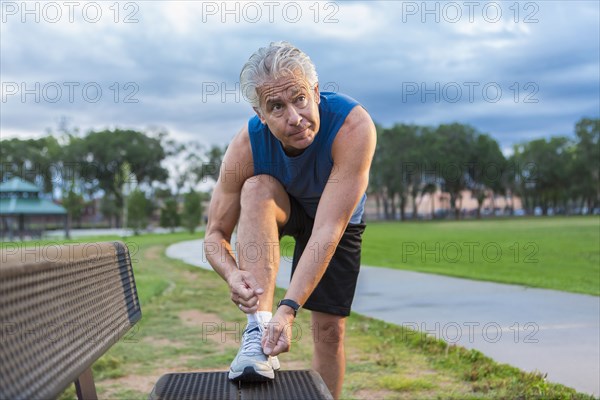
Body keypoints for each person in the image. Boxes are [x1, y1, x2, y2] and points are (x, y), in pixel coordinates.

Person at [204, 41, 376, 399]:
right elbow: (215, 234)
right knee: (256, 189)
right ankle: (258, 332)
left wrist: (289, 308)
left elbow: (327, 228)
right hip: (283, 205)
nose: (295, 117)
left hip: (335, 218)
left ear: (315, 91)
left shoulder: (353, 126)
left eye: (300, 99)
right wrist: (233, 274)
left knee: (329, 331)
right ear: (260, 113)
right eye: (276, 107)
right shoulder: (246, 146)